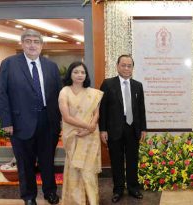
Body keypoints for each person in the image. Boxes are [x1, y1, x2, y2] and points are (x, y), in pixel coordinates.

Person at [0, 29, 61, 205]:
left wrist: (61, 120)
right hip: (19, 123)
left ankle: (50, 192)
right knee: (25, 163)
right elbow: (1, 93)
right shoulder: (9, 64)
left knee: (47, 160)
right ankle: (28, 197)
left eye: (36, 41)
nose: (32, 44)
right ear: (22, 43)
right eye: (28, 41)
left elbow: (59, 95)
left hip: (48, 122)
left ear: (41, 45)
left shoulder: (51, 66)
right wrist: (7, 121)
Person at [99, 54, 147, 203]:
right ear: (117, 66)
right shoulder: (108, 84)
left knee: (133, 159)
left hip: (133, 129)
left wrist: (143, 129)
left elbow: (141, 109)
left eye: (129, 66)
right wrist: (103, 130)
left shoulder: (138, 85)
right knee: (116, 160)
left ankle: (133, 188)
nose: (126, 68)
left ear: (133, 68)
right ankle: (118, 189)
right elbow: (103, 109)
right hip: (114, 129)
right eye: (123, 65)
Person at [59, 62, 103, 205]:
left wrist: (90, 128)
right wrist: (87, 126)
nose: (79, 75)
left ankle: (92, 201)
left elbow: (96, 112)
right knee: (74, 170)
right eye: (76, 72)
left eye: (82, 72)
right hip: (74, 136)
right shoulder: (64, 91)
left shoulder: (93, 93)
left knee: (88, 171)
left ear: (86, 75)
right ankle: (75, 201)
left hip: (90, 137)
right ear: (70, 74)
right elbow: (66, 117)